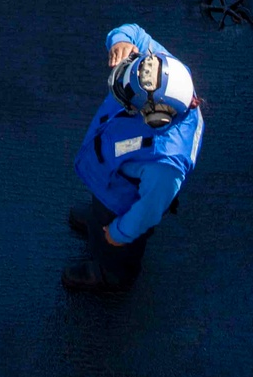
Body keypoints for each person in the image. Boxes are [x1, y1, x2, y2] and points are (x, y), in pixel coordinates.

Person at [64, 23, 203, 293]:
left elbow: (149, 209)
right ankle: (97, 221)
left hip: (122, 203)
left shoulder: (165, 164)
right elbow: (135, 33)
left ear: (154, 117)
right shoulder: (166, 71)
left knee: (119, 246)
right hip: (111, 182)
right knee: (99, 214)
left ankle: (110, 273)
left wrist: (121, 233)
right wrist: (121, 40)